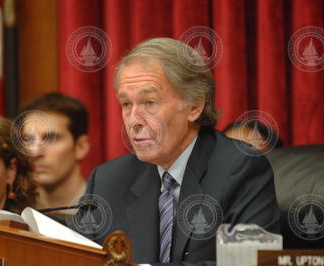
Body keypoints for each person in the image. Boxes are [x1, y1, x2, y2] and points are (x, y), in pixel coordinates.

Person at [75, 38, 280, 266]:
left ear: (194, 106)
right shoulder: (108, 180)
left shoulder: (241, 168)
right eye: (126, 104)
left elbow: (249, 263)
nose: (133, 120)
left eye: (149, 102)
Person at [17, 93, 90, 216]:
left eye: (50, 139)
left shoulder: (107, 212)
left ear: (80, 147)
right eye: (29, 140)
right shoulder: (15, 213)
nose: (36, 152)